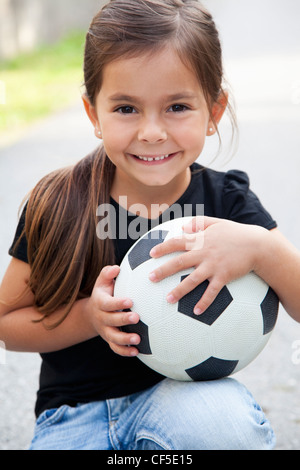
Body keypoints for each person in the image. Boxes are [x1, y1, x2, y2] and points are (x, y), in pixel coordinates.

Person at [0, 0, 299, 451]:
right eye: (126, 109)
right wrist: (88, 317)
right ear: (92, 113)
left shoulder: (228, 204)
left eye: (177, 106)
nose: (152, 132)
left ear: (214, 112)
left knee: (227, 426)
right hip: (75, 415)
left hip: (184, 404)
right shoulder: (58, 202)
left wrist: (261, 249)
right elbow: (7, 322)